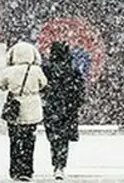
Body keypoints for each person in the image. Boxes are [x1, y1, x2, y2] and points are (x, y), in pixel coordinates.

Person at [0, 41, 48, 182]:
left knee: (14, 141)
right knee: (29, 141)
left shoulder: (9, 71)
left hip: (14, 108)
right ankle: (27, 170)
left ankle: (14, 170)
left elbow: (0, 85)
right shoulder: (36, 70)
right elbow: (43, 84)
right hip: (32, 108)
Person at [42, 42, 86, 180]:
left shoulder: (46, 70)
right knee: (63, 138)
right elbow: (80, 90)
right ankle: (60, 165)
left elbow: (42, 87)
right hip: (68, 108)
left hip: (51, 107)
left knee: (54, 137)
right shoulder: (73, 70)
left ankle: (56, 162)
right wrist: (77, 104)